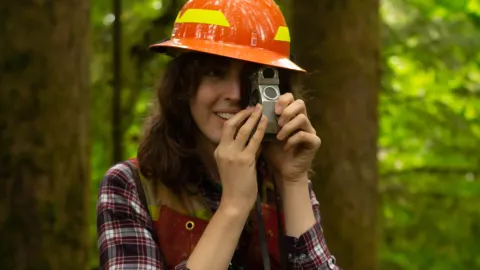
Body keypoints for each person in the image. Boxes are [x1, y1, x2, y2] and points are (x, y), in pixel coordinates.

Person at [96, 0, 340, 269]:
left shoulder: (280, 180)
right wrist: (234, 206)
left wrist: (293, 181)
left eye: (250, 79)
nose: (234, 94)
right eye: (216, 72)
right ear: (183, 84)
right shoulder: (130, 186)